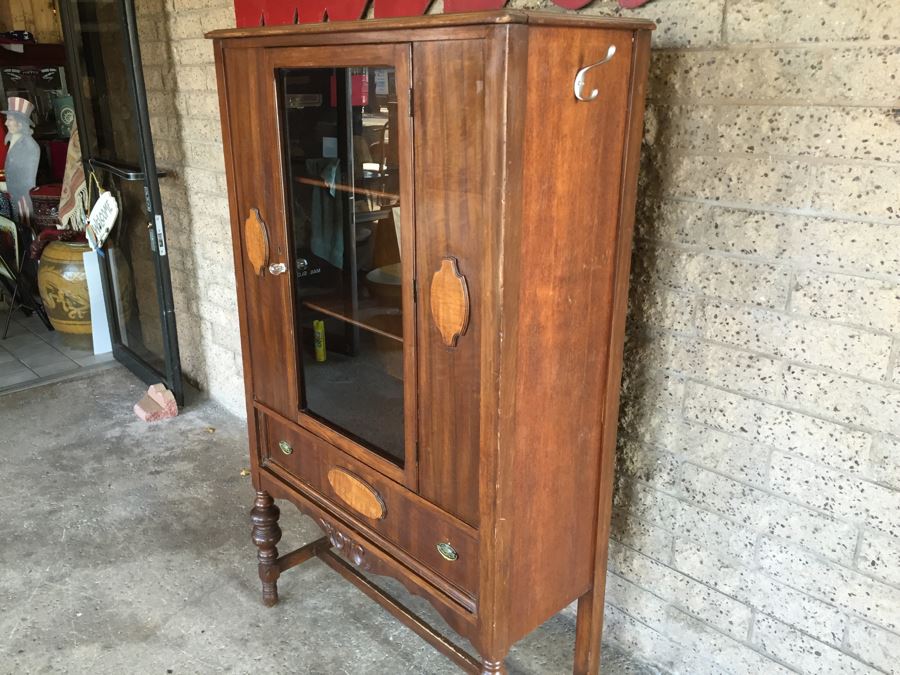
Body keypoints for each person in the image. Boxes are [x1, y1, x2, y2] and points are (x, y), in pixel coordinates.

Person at [0, 97, 40, 228]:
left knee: (25, 230)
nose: (6, 123)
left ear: (20, 123)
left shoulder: (29, 146)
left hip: (22, 200)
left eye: (10, 119)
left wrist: (4, 187)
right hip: (13, 199)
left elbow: (26, 182)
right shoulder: (15, 142)